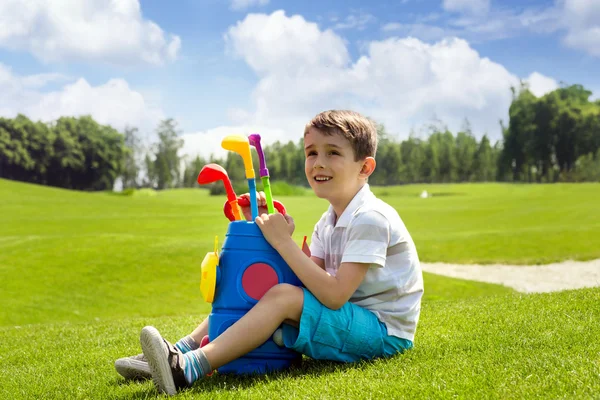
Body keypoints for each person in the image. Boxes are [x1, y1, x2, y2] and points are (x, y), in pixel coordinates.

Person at [122, 110, 424, 395]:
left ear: (365, 167)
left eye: (333, 152)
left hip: (383, 335)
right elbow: (303, 280)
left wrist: (284, 243)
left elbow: (333, 295)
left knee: (283, 296)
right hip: (350, 320)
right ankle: (179, 351)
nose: (318, 162)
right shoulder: (328, 221)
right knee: (271, 287)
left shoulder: (370, 218)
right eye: (311, 153)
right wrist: (280, 234)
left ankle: (187, 368)